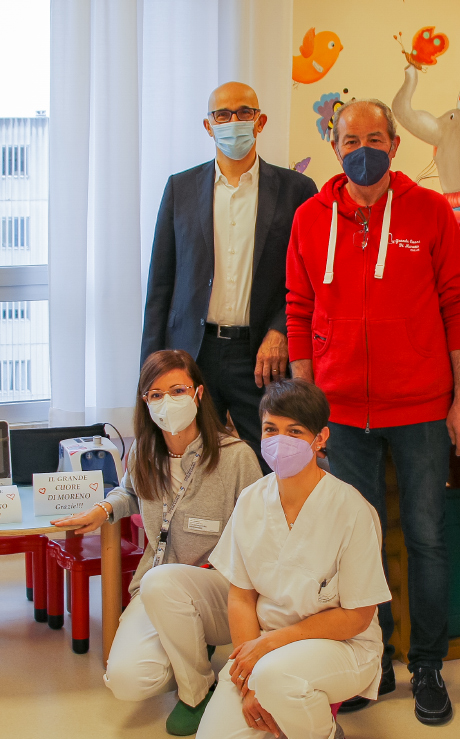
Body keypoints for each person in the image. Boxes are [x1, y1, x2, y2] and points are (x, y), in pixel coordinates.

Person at [285, 98, 460, 726]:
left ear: (395, 145)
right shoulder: (310, 217)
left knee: (426, 537)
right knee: (356, 544)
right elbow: (298, 308)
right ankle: (373, 658)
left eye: (375, 138)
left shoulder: (432, 211)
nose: (362, 149)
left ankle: (428, 664)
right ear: (334, 145)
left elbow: (458, 304)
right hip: (340, 412)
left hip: (420, 408)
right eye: (350, 139)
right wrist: (305, 409)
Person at [186, 379, 390, 739]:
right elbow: (241, 595)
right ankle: (293, 710)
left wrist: (270, 649)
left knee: (276, 675)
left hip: (343, 647)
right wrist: (248, 683)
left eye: (294, 431)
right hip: (266, 650)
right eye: (270, 429)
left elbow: (358, 616)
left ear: (321, 438)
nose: (280, 441)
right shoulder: (251, 501)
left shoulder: (351, 509)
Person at [55, 350, 262, 735]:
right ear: (145, 402)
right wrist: (103, 509)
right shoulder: (145, 452)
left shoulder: (237, 457)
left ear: (198, 393)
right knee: (126, 680)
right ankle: (190, 648)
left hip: (221, 590)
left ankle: (196, 692)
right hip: (158, 586)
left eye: (178, 390)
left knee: (162, 581)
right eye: (156, 394)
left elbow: (260, 532)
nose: (167, 401)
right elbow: (130, 492)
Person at [141, 82, 319, 466]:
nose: (233, 121)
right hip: (192, 354)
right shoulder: (180, 188)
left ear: (260, 121)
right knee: (190, 465)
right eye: (222, 115)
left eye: (244, 113)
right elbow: (160, 286)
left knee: (271, 463)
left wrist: (281, 331)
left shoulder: (298, 190)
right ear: (209, 126)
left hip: (262, 357)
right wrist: (150, 371)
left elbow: (310, 278)